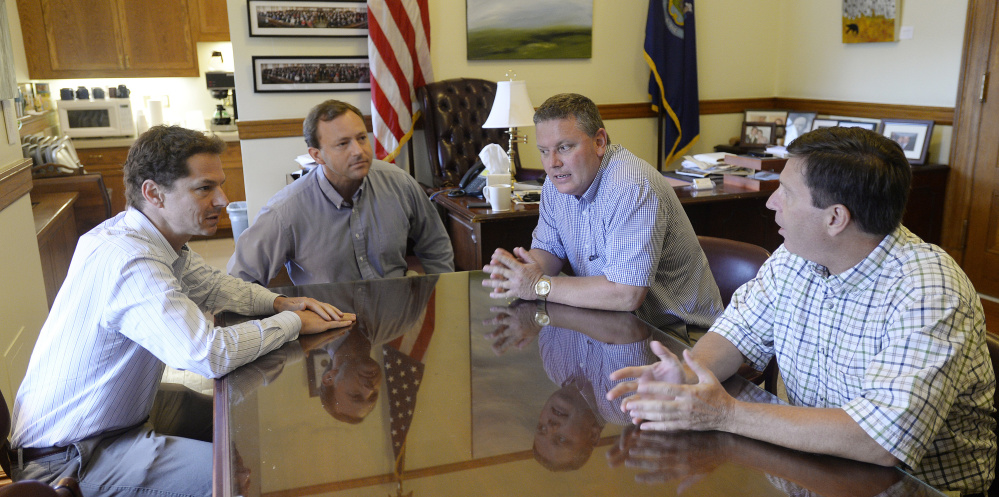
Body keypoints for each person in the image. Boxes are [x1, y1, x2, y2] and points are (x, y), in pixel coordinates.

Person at [607, 127, 997, 496]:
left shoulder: (928, 291)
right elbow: (737, 332)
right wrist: (692, 371)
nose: (771, 202)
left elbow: (880, 440)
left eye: (786, 193)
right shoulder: (798, 257)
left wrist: (724, 414)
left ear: (835, 218)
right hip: (811, 468)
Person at [9, 125, 356, 497]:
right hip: (71, 457)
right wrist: (292, 323)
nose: (223, 199)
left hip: (117, 418)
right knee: (236, 480)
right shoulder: (130, 260)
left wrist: (280, 302)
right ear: (153, 193)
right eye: (205, 188)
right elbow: (208, 354)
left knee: (244, 422)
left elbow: (213, 286)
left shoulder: (148, 238)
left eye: (219, 185)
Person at [481, 93, 722, 334]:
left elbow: (626, 294)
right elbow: (549, 251)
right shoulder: (557, 184)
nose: (552, 163)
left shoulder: (631, 186)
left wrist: (538, 286)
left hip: (678, 336)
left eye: (564, 148)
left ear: (599, 142)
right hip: (613, 324)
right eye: (544, 151)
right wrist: (519, 272)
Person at [227, 99, 453, 286]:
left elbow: (436, 244)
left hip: (395, 321)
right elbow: (239, 280)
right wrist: (283, 315)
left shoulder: (399, 183)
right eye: (343, 144)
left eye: (362, 138)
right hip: (328, 329)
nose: (359, 151)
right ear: (317, 155)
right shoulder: (285, 210)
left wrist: (440, 296)